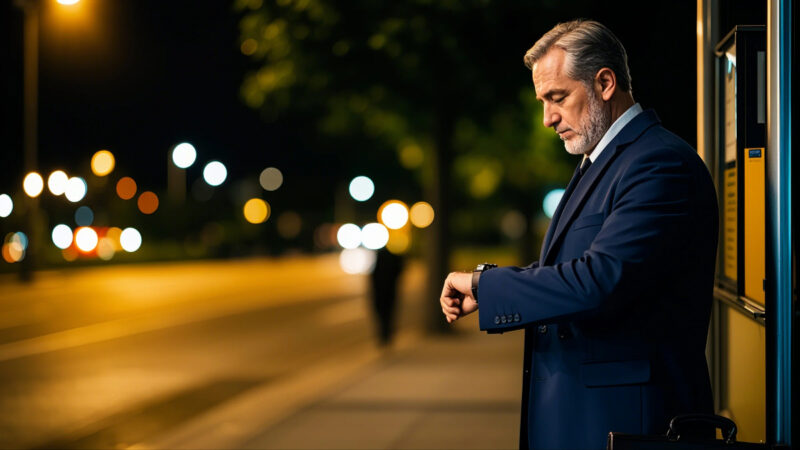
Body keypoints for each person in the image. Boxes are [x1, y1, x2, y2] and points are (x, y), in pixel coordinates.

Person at [439, 19, 718, 450]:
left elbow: (598, 279)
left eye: (557, 97)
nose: (548, 118)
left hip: (628, 424)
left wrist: (486, 284)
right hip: (591, 418)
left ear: (605, 82)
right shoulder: (605, 161)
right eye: (543, 101)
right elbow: (573, 267)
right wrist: (490, 284)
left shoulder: (659, 163)